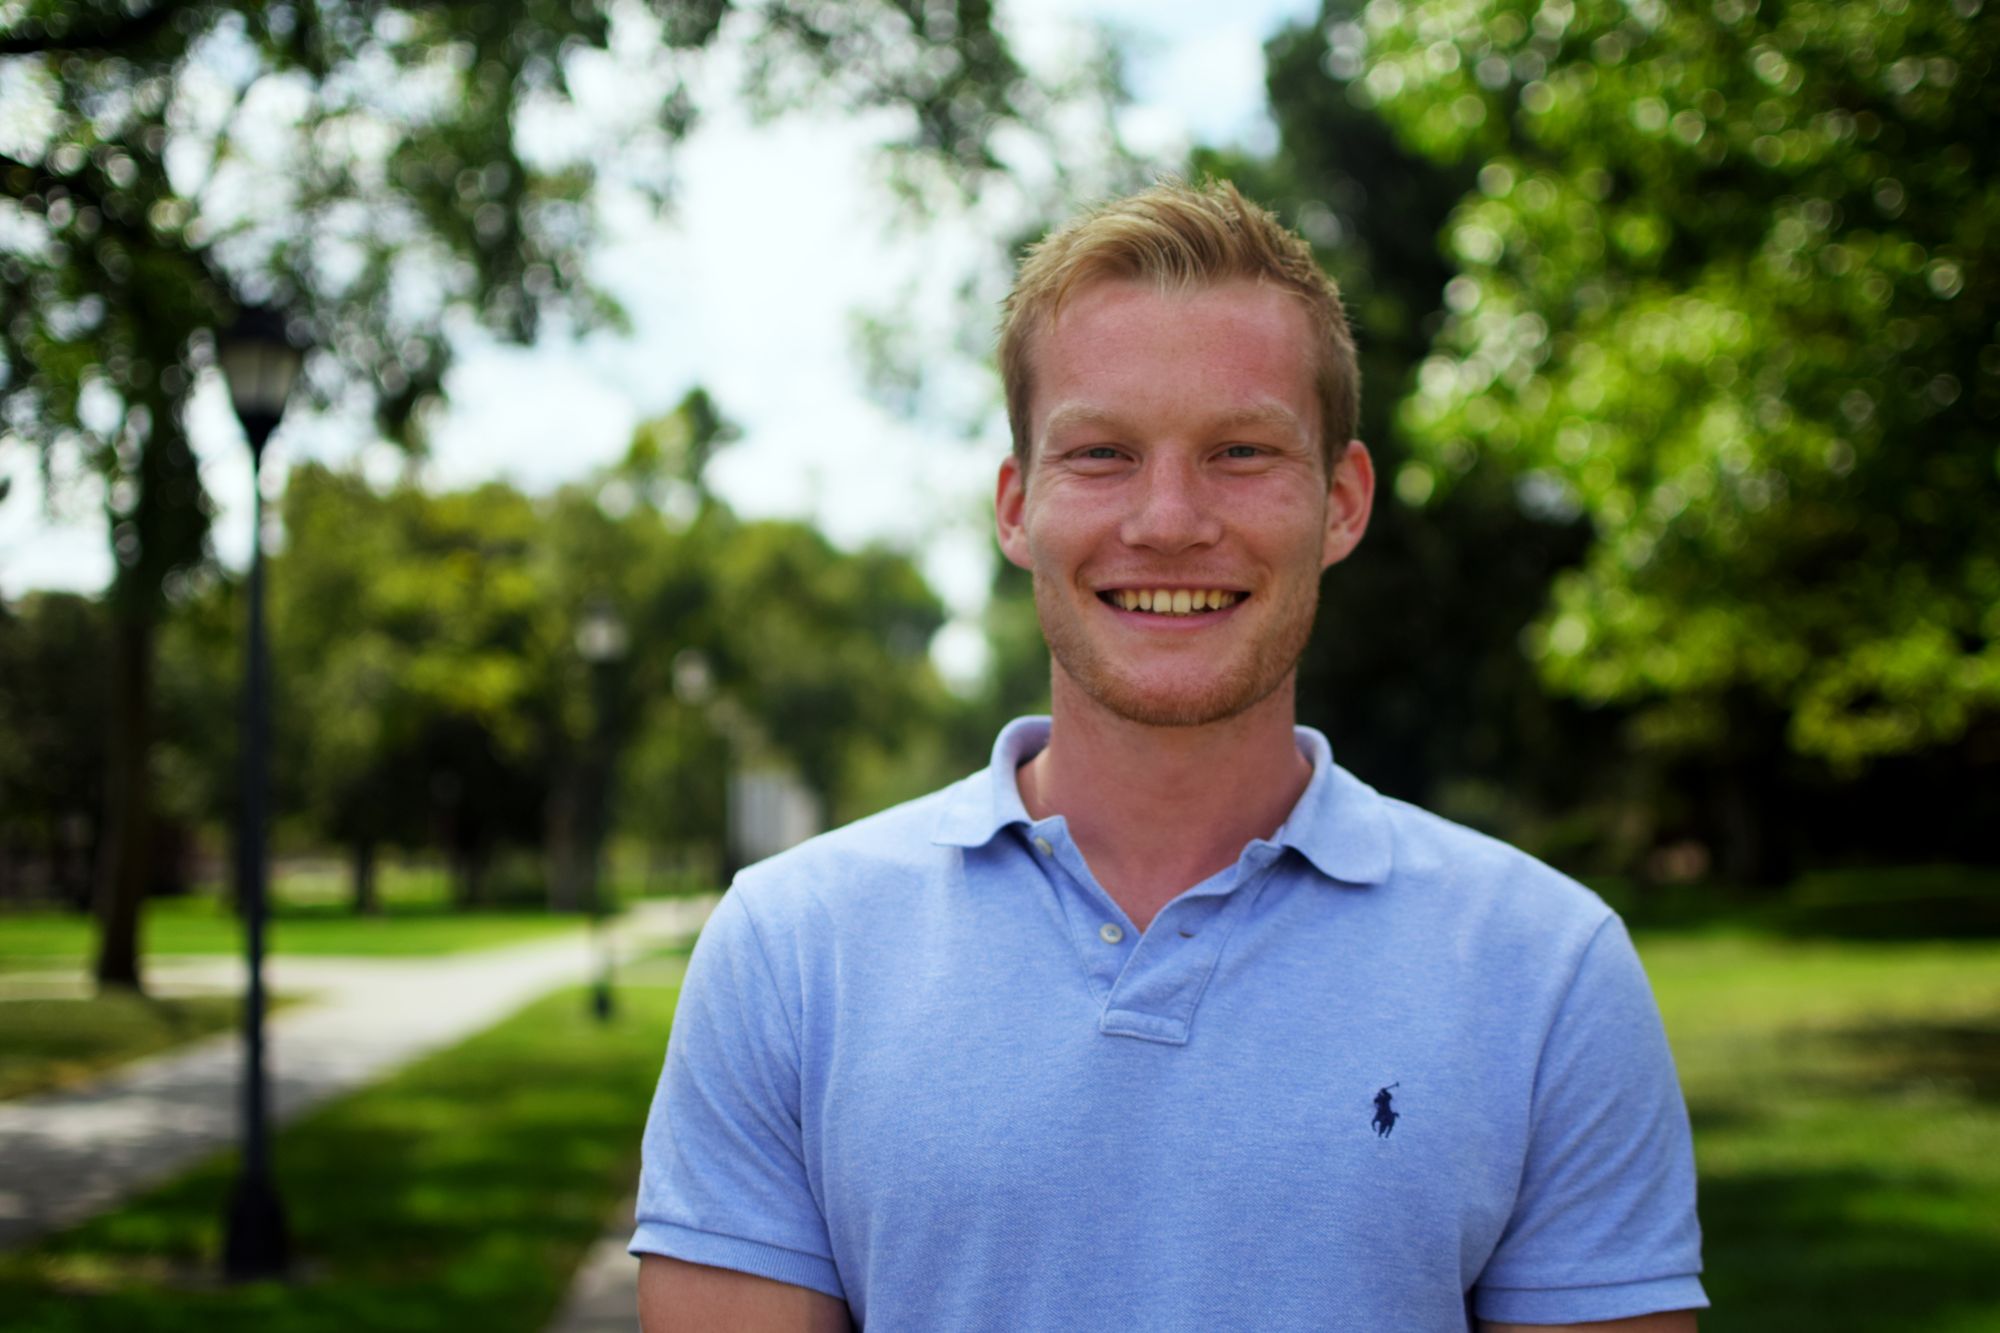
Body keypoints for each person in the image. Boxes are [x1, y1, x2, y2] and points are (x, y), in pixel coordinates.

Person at [631, 179, 1706, 1332]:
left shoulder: (1547, 970)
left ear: (1340, 502)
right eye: (1100, 454)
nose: (1168, 519)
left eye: (1239, 451)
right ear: (1015, 506)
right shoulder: (790, 952)